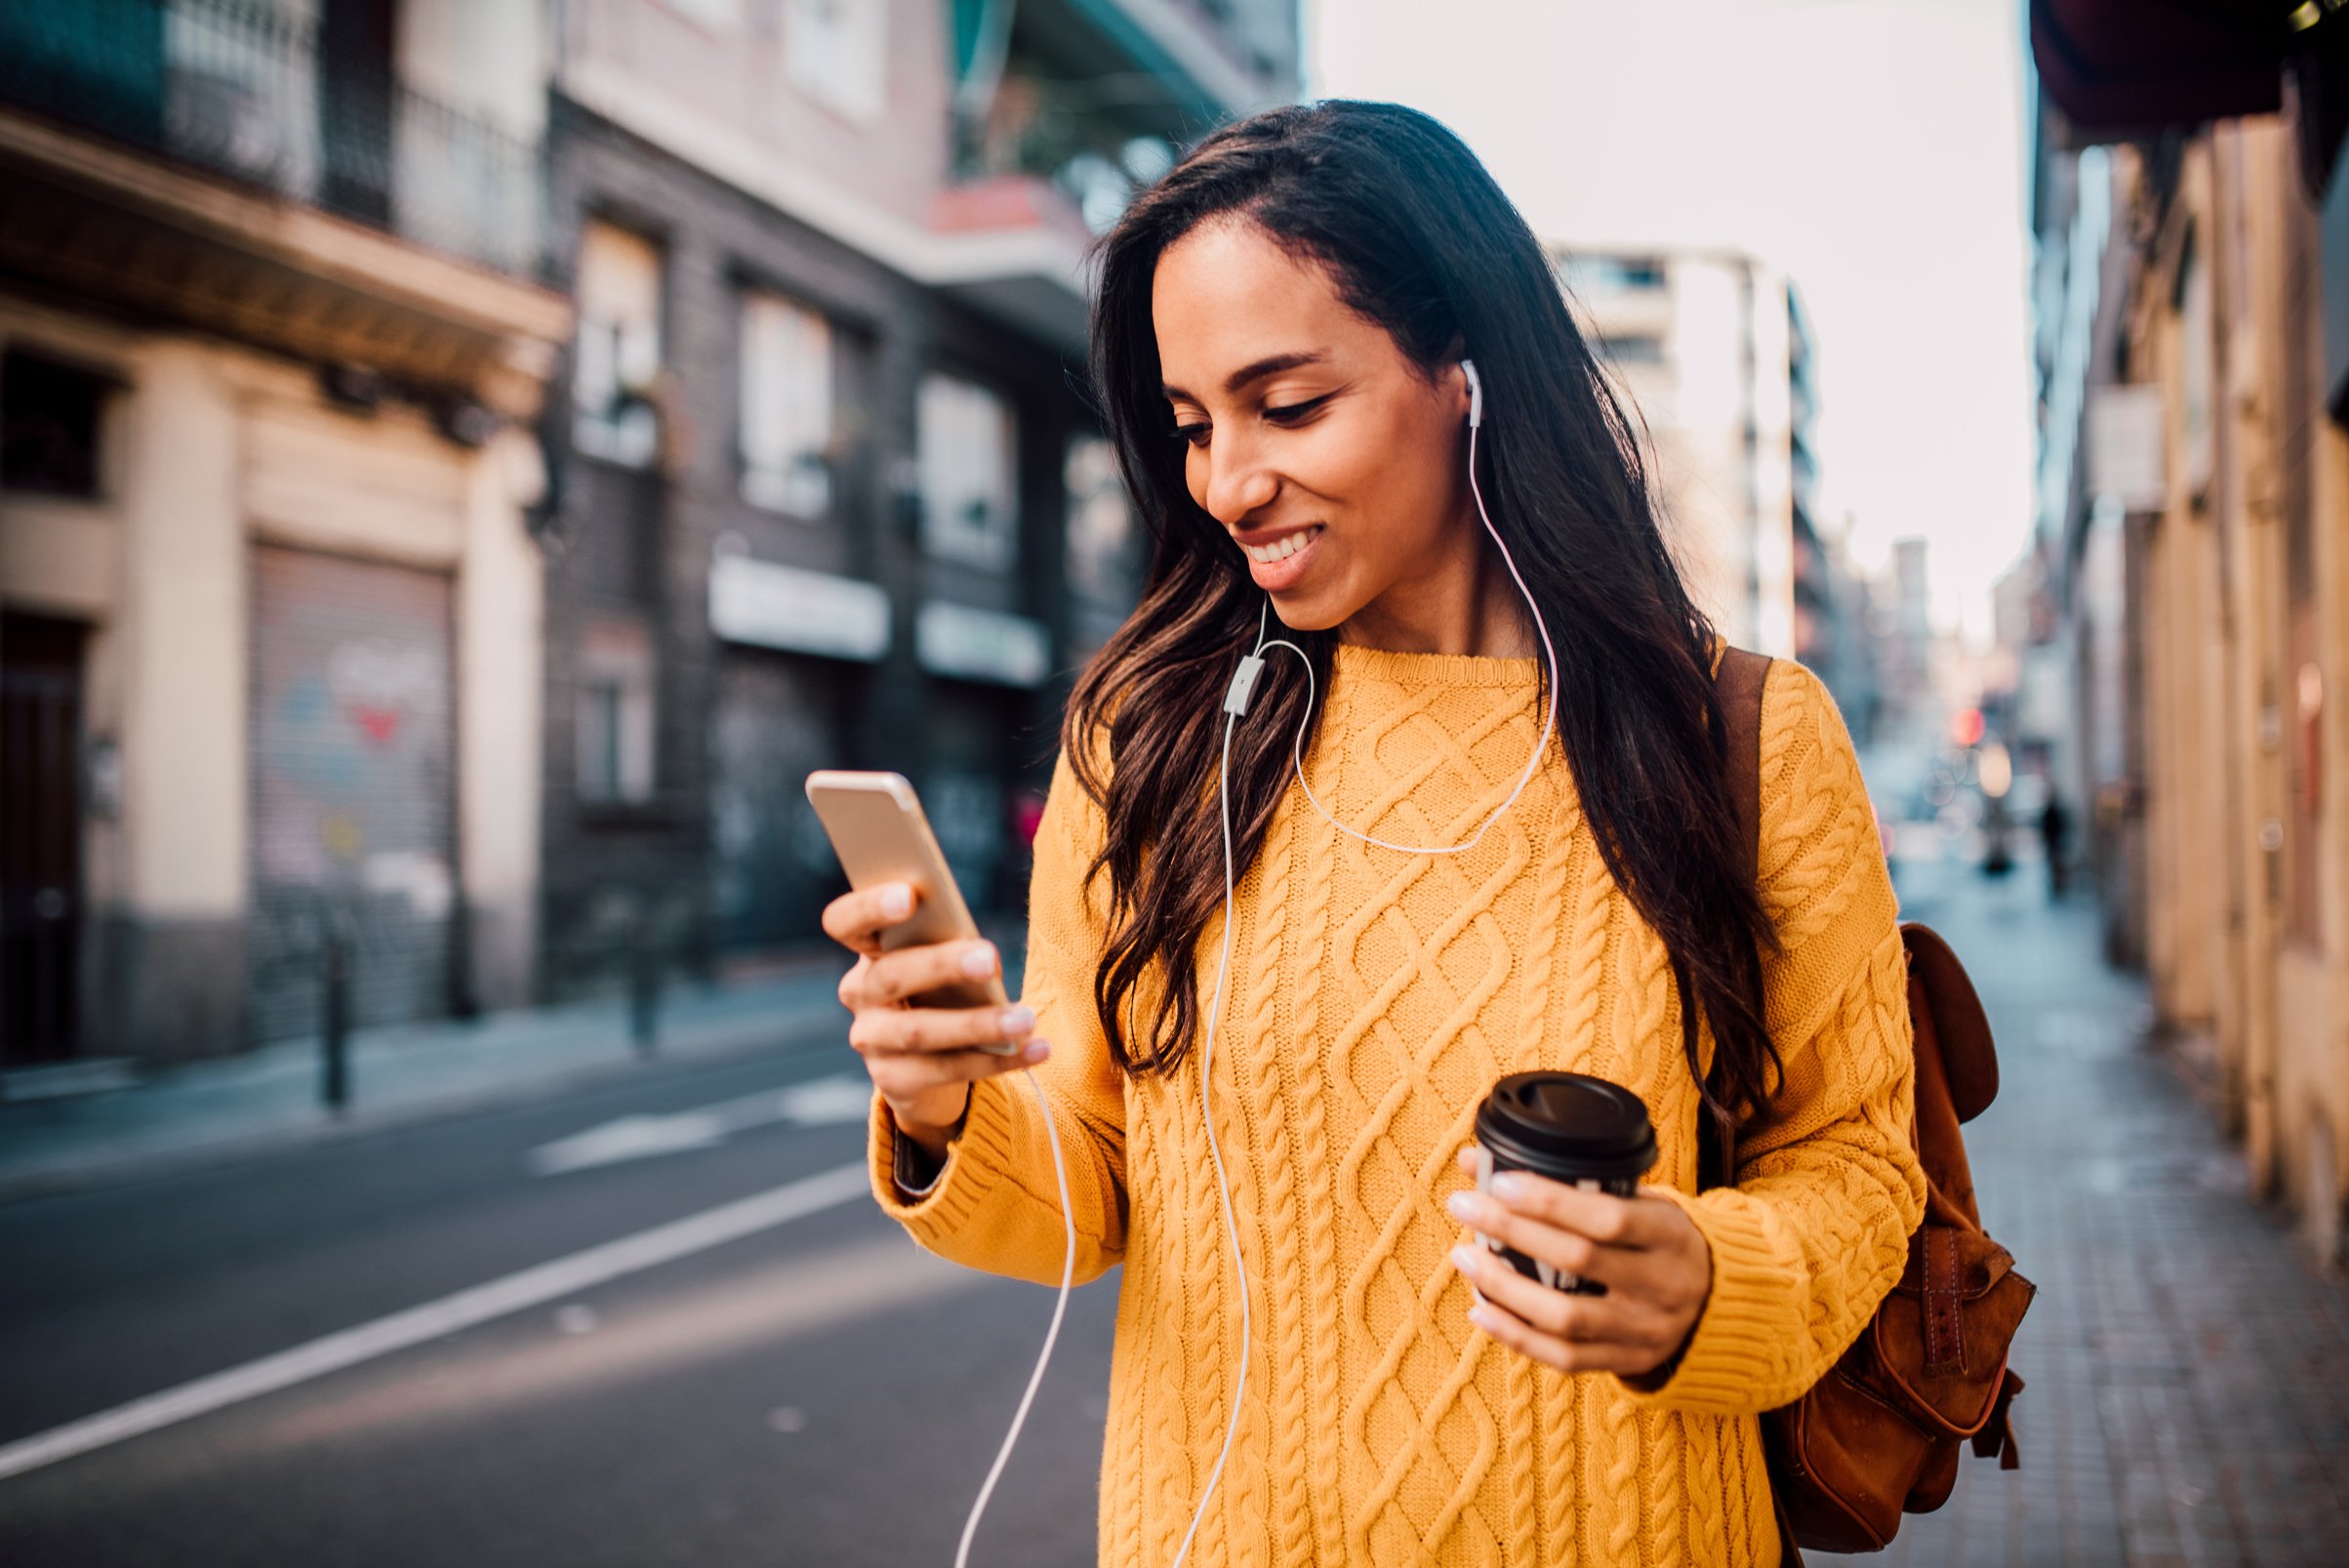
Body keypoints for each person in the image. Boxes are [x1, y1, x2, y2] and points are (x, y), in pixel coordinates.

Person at [824, 101, 1923, 1567]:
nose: (1226, 484)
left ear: (1461, 367)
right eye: (1193, 425)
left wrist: (1711, 1283)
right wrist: (945, 1103)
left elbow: (1858, 1169)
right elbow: (1087, 1191)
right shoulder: (1146, 742)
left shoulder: (1743, 735)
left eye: (1288, 407)